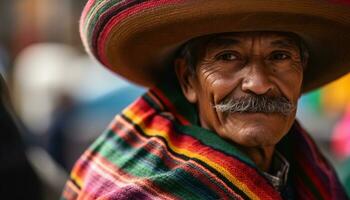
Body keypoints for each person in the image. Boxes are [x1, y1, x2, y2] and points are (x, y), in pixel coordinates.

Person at [62, 1, 350, 199]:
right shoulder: (139, 191)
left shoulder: (306, 173)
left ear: (302, 73)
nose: (259, 84)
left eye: (280, 57)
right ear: (188, 79)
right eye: (228, 57)